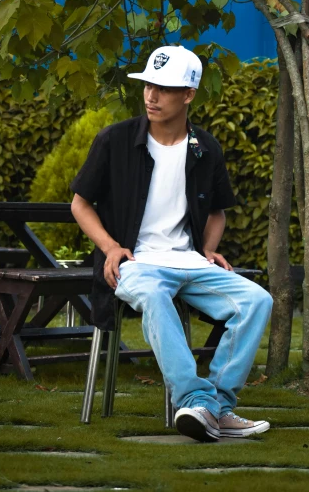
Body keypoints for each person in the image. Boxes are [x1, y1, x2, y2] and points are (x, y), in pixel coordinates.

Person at [70, 45, 273, 442]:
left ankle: (216, 408)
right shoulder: (115, 141)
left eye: (163, 87)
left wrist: (210, 248)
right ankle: (198, 400)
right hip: (135, 263)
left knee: (257, 301)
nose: (151, 95)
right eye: (148, 85)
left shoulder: (206, 148)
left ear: (188, 94)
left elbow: (218, 210)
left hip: (189, 261)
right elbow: (80, 203)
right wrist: (111, 247)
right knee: (155, 296)